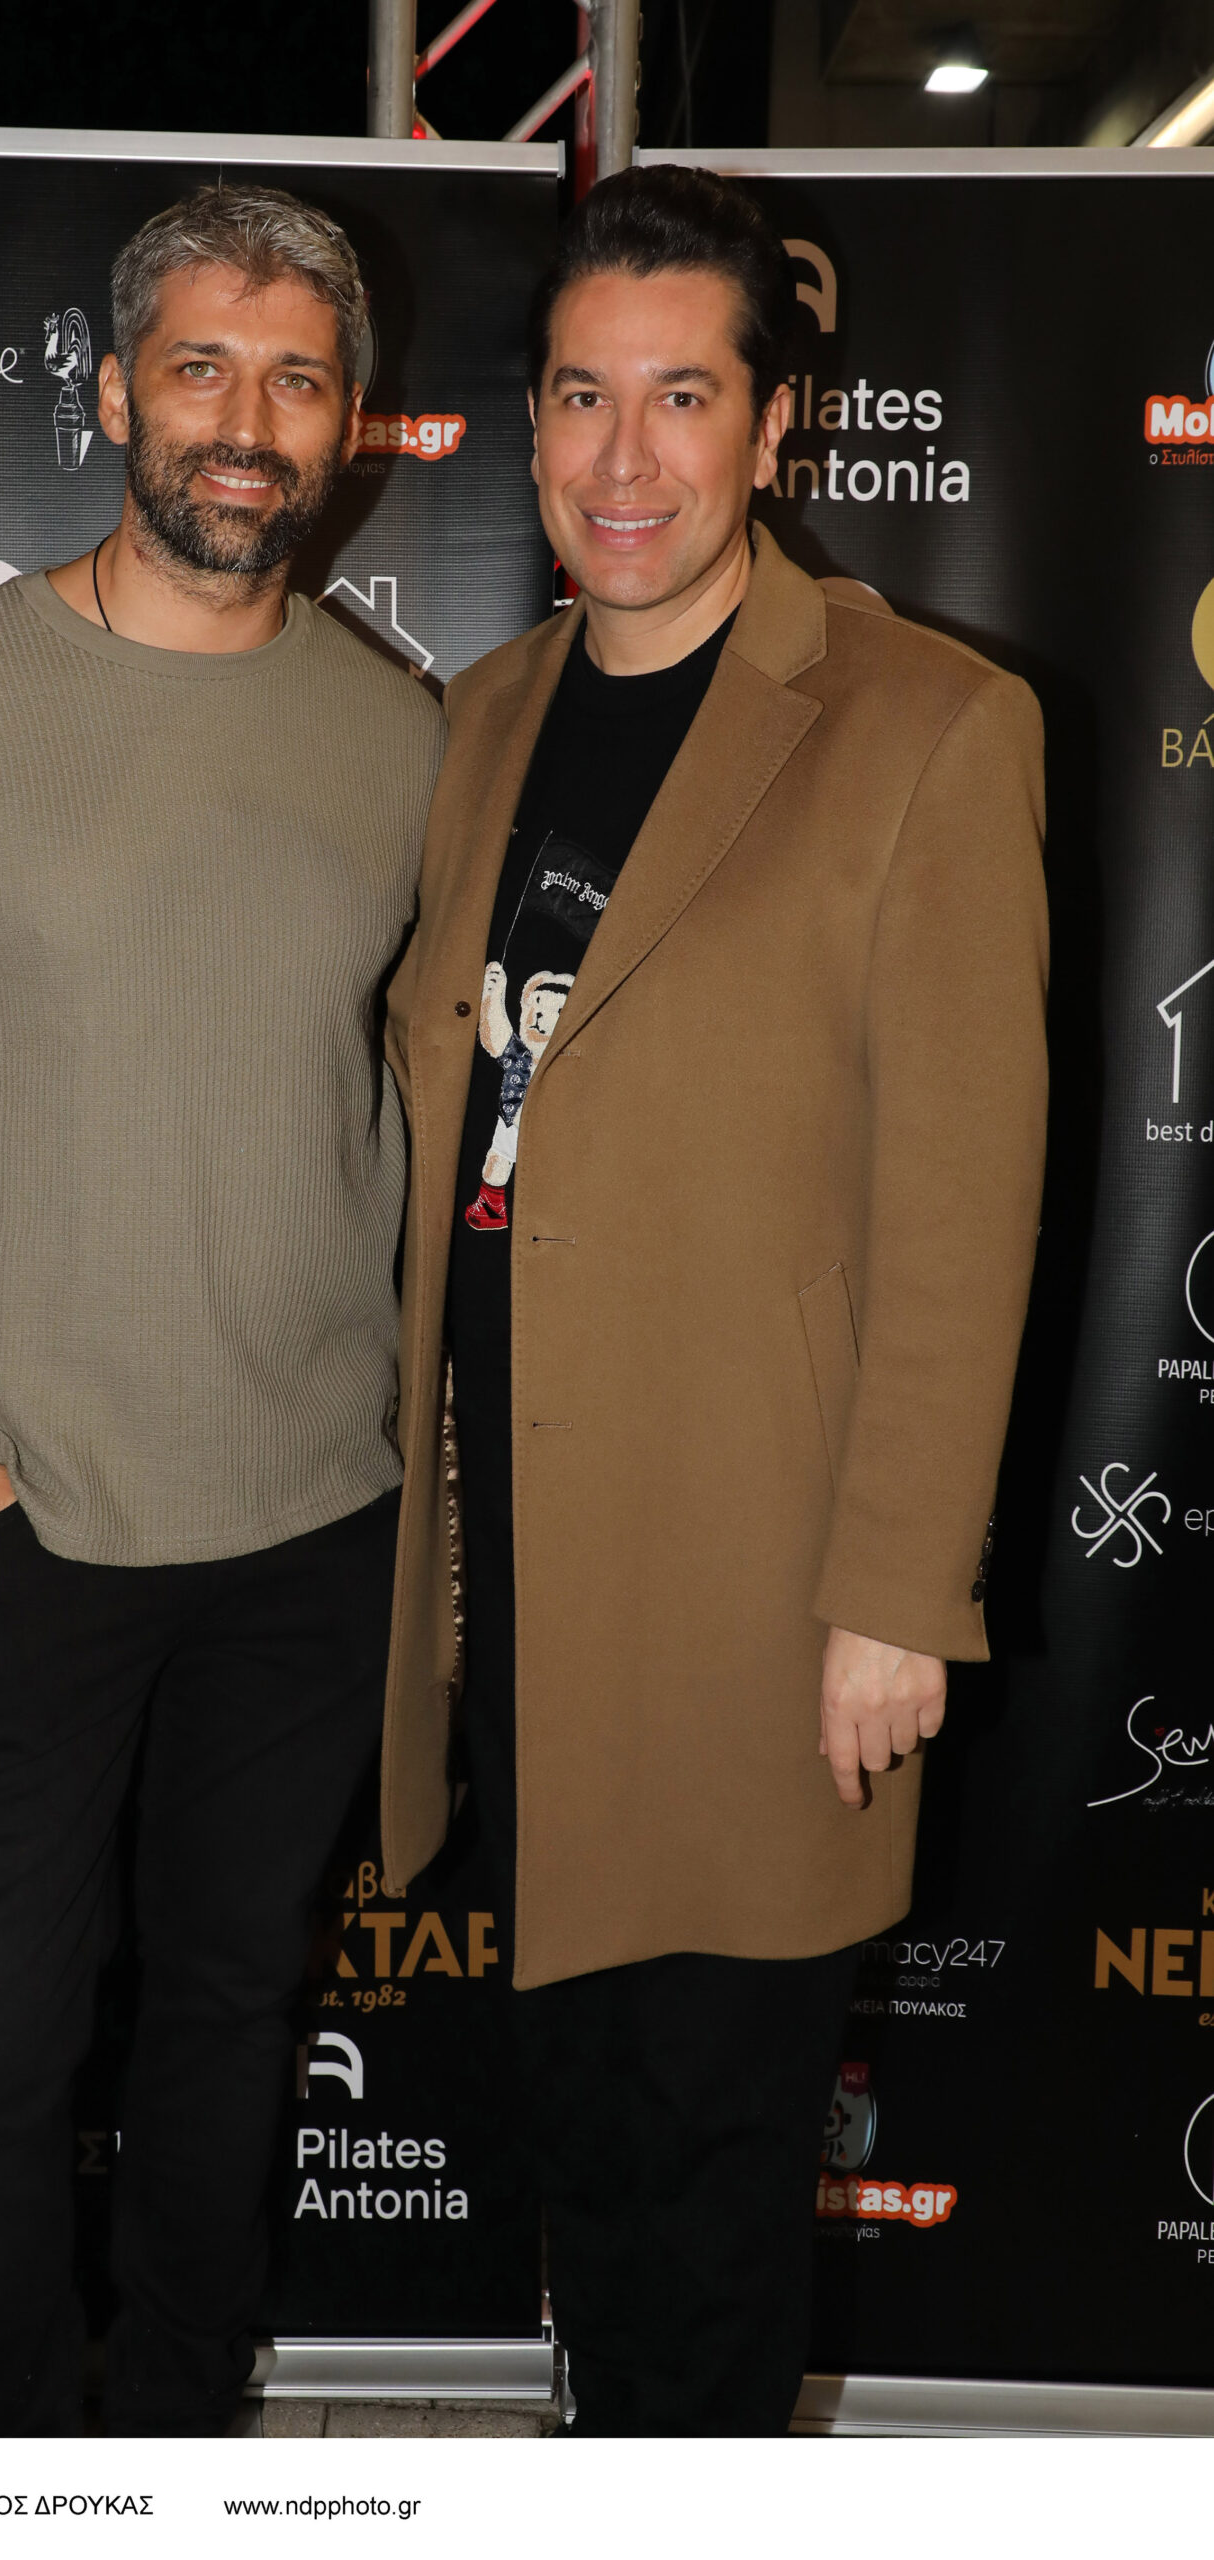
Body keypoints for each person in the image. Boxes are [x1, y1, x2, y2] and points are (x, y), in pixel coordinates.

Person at [0, 184, 442, 2437]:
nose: (248, 420)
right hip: (21, 1519)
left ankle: (176, 2463)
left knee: (231, 2021)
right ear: (119, 386)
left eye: (298, 378)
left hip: (311, 1522)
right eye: (204, 366)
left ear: (350, 425)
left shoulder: (400, 734)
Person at [380, 165, 1047, 2436]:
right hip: (517, 1575)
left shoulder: (923, 722)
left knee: (714, 2172)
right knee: (583, 2143)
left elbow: (961, 1204)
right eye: (582, 395)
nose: (625, 455)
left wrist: (894, 1595)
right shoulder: (480, 715)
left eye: (684, 396)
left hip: (759, 1585)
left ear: (775, 427)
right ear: (531, 424)